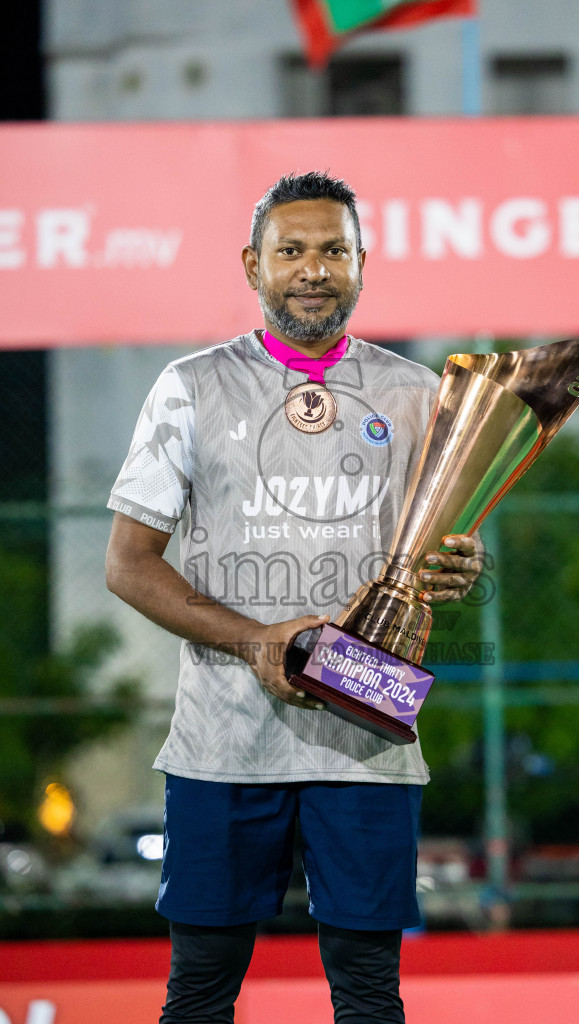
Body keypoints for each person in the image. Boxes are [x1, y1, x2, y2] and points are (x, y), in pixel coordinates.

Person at [105, 171, 483, 1024]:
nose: (313, 269)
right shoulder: (189, 387)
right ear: (252, 265)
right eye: (292, 250)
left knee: (367, 994)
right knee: (199, 993)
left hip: (366, 737)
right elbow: (128, 565)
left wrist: (452, 567)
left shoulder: (418, 395)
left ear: (361, 266)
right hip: (222, 746)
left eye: (333, 251)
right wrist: (254, 641)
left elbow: (436, 549)